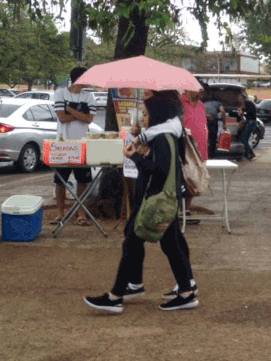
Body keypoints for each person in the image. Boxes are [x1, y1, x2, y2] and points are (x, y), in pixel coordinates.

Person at [84, 90, 198, 313]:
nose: (143, 118)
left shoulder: (164, 138)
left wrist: (135, 156)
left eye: (146, 114)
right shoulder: (163, 135)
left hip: (155, 202)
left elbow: (160, 170)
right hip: (161, 201)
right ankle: (185, 291)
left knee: (135, 243)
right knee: (169, 245)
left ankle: (116, 296)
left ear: (157, 114)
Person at [53, 68, 97, 226]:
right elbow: (62, 118)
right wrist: (80, 115)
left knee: (82, 180)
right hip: (63, 143)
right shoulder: (60, 93)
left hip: (82, 143)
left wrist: (70, 109)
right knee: (60, 180)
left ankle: (81, 213)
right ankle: (60, 213)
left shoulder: (89, 96)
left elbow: (89, 119)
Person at [180, 88, 208, 224]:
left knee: (195, 180)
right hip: (186, 148)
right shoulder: (180, 102)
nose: (200, 91)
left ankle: (186, 210)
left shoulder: (201, 104)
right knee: (186, 179)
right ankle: (180, 211)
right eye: (196, 89)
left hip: (200, 148)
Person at [237, 96, 257, 161]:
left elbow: (247, 114)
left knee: (244, 138)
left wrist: (241, 113)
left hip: (251, 122)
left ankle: (248, 154)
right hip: (251, 122)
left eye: (239, 99)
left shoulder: (248, 104)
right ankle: (249, 153)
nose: (239, 101)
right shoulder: (247, 104)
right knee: (244, 138)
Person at [203, 93, 222, 159]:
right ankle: (212, 155)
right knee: (213, 138)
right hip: (213, 120)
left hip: (206, 120)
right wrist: (224, 123)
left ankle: (205, 153)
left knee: (206, 137)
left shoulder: (204, 103)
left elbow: (202, 112)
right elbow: (222, 111)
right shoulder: (218, 103)